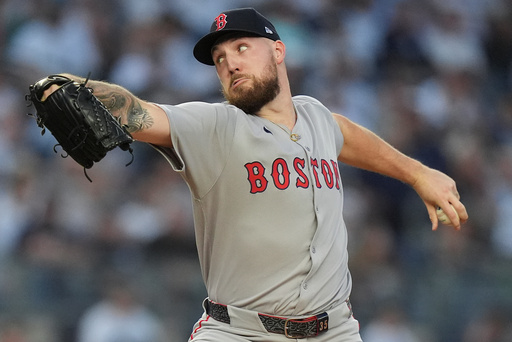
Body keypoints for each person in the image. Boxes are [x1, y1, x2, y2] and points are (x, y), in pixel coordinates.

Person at [40, 7, 468, 342]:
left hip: (333, 330)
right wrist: (68, 84)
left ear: (278, 51)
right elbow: (143, 113)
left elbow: (348, 135)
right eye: (220, 58)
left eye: (241, 48)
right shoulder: (215, 126)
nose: (229, 63)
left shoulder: (316, 116)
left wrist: (417, 173)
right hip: (239, 332)